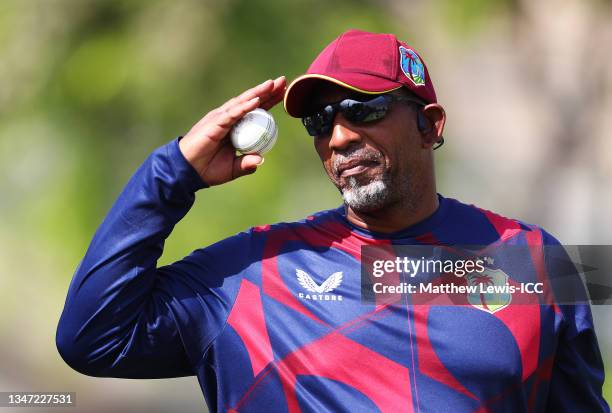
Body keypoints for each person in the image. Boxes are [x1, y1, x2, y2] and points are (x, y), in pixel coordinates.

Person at [56, 29, 609, 412]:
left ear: (429, 125)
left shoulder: (535, 259)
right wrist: (173, 171)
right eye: (321, 121)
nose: (340, 136)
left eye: (364, 108)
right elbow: (90, 339)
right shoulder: (250, 272)